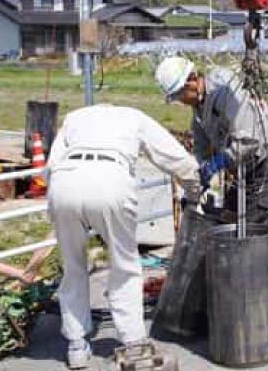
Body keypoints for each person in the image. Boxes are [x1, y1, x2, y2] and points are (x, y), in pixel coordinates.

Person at [46, 104, 202, 369]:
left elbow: (52, 164)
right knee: (125, 264)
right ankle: (132, 341)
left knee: (73, 267)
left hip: (64, 181)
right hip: (110, 180)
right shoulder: (133, 117)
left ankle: (77, 346)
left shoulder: (75, 117)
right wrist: (195, 186)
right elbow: (171, 155)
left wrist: (59, 205)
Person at [155, 56, 268, 228]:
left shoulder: (224, 89)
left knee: (254, 229)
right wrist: (196, 185)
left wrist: (218, 163)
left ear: (192, 80)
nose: (180, 100)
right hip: (247, 168)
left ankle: (251, 253)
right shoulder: (199, 109)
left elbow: (249, 142)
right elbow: (201, 149)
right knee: (227, 219)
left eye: (179, 94)